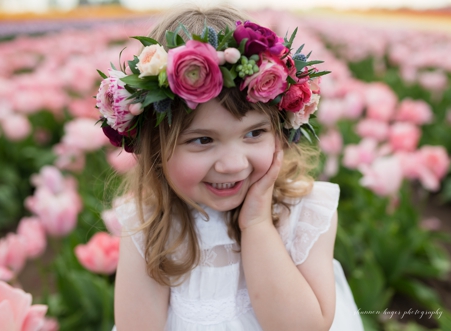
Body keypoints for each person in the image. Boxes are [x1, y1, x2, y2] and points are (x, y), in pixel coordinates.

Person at [106, 5, 364, 330]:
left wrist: (256, 223)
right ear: (155, 148)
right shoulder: (148, 225)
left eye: (254, 133)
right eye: (202, 140)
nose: (233, 165)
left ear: (280, 132)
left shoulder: (303, 213)